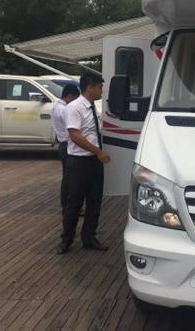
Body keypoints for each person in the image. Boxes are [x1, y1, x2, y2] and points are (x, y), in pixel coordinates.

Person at [57, 73, 110, 255]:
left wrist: (97, 154)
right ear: (90, 87)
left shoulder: (92, 106)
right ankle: (66, 239)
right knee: (74, 203)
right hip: (79, 162)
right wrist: (99, 151)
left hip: (93, 162)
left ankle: (89, 237)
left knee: (94, 202)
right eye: (100, 87)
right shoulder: (75, 107)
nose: (102, 91)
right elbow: (75, 135)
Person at [50, 84, 80, 216]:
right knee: (69, 179)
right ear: (69, 96)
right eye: (75, 99)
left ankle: (68, 207)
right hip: (67, 145)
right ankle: (68, 208)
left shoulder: (57, 107)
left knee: (68, 178)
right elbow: (72, 128)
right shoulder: (64, 110)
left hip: (63, 144)